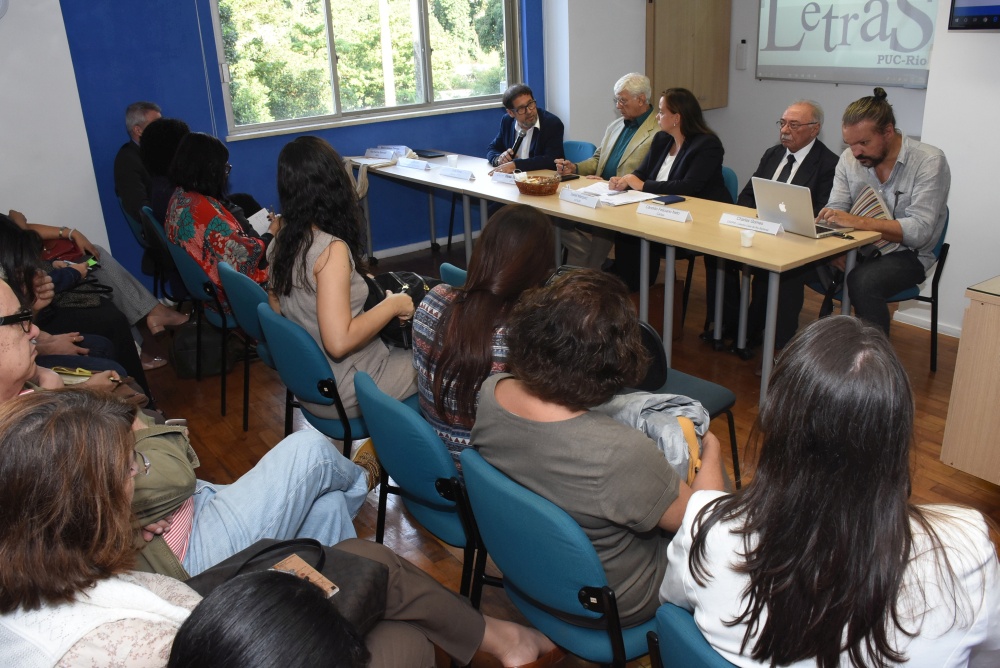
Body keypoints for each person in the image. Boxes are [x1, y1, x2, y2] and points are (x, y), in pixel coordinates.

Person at [0, 391, 560, 668]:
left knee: (344, 541)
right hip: (238, 634)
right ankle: (498, 637)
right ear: (84, 510)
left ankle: (495, 637)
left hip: (217, 613)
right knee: (401, 625)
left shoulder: (38, 566)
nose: (138, 477)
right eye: (130, 468)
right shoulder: (125, 645)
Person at [660, 316, 1000, 667]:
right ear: (895, 436)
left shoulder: (707, 529)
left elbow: (674, 605)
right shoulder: (965, 553)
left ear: (777, 426)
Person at [472, 269, 726, 626]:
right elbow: (702, 525)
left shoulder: (493, 391)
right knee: (720, 524)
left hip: (532, 571)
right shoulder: (619, 453)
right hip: (609, 600)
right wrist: (712, 447)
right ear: (614, 361)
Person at [775, 88, 950, 344]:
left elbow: (920, 232)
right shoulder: (849, 159)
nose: (855, 152)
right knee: (790, 262)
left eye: (864, 143)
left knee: (863, 281)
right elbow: (835, 209)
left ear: (887, 132)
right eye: (850, 144)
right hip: (855, 246)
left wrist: (855, 222)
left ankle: (872, 360)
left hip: (908, 254)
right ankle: (780, 347)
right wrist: (833, 252)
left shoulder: (929, 161)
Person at [269, 136, 417, 420]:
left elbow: (278, 306)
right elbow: (338, 343)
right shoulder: (329, 250)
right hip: (350, 386)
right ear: (332, 184)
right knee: (448, 359)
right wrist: (394, 305)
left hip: (310, 384)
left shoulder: (280, 241)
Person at [412, 204, 555, 464]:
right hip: (487, 472)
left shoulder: (432, 301)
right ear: (540, 268)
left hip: (433, 457)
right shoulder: (522, 340)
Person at [606, 87, 732, 306]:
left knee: (640, 238)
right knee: (626, 234)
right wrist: (625, 180)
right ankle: (629, 298)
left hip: (698, 220)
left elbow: (688, 187)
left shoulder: (707, 144)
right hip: (660, 212)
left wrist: (643, 185)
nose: (657, 116)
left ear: (677, 118)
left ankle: (642, 302)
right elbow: (641, 173)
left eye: (661, 112)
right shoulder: (661, 139)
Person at [736, 100, 839, 354]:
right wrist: (749, 219)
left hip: (801, 244)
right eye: (782, 123)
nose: (784, 130)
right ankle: (738, 329)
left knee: (784, 272)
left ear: (814, 129)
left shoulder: (828, 163)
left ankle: (779, 347)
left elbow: (821, 212)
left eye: (794, 125)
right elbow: (748, 195)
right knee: (725, 258)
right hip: (763, 232)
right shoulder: (773, 154)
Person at [553, 73, 659, 268]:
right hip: (602, 191)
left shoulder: (658, 130)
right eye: (616, 100)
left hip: (629, 198)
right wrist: (575, 167)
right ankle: (584, 264)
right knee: (555, 213)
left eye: (622, 100)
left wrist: (614, 183)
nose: (618, 106)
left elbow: (653, 174)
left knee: (600, 226)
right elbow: (597, 160)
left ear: (641, 99)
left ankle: (589, 272)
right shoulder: (615, 126)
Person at [165, 132, 277, 312]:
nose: (225, 174)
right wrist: (272, 232)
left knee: (244, 200)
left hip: (208, 286)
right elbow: (248, 256)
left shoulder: (179, 197)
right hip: (231, 296)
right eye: (224, 168)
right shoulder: (210, 216)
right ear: (210, 170)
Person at [486, 83, 565, 173]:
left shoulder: (552, 123)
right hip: (514, 179)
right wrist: (499, 159)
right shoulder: (507, 121)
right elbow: (492, 149)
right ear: (511, 113)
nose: (529, 111)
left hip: (541, 179)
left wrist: (516, 165)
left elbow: (552, 160)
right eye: (521, 108)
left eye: (530, 104)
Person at [114, 100, 162, 223]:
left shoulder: (158, 152)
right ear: (138, 130)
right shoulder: (127, 160)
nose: (163, 129)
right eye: (157, 124)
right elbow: (140, 208)